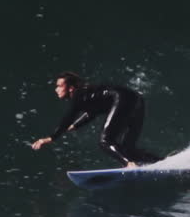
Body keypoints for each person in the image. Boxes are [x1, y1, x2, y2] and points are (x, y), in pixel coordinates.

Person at [30, 71, 161, 167]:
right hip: (136, 100)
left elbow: (68, 117)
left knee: (105, 141)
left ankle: (130, 165)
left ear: (71, 88)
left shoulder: (78, 95)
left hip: (122, 98)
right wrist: (75, 126)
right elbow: (91, 112)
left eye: (59, 86)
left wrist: (50, 138)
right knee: (127, 149)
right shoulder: (87, 95)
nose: (56, 89)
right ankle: (161, 162)